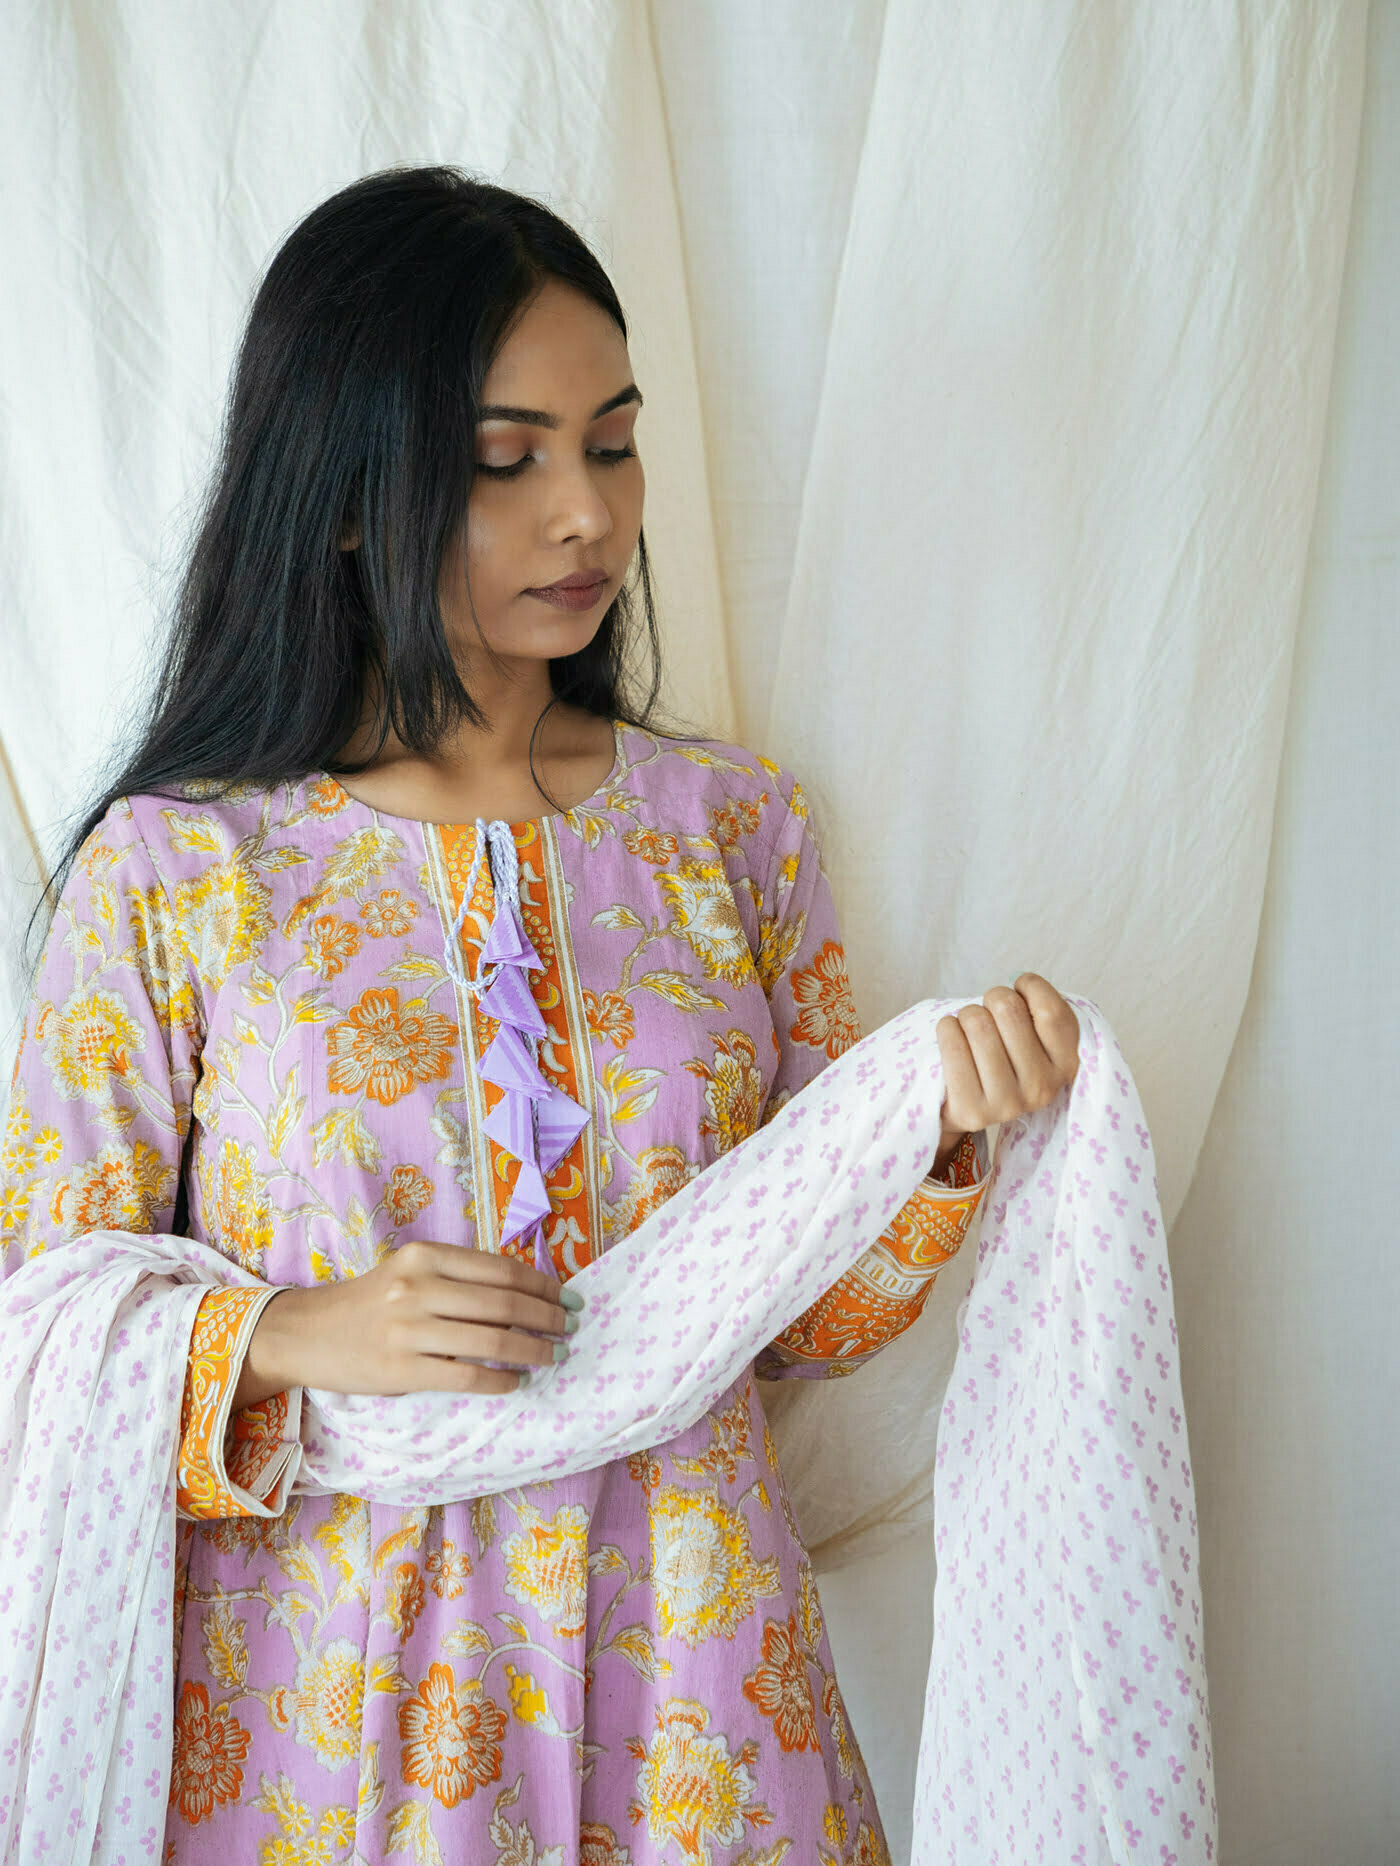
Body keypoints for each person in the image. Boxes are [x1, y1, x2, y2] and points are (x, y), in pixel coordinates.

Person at [0, 167, 1080, 1865]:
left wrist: (938, 1143)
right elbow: (34, 1330)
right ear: (343, 498)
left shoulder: (737, 829)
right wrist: (292, 1331)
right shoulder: (181, 868)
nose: (588, 514)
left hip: (699, 1680)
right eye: (506, 461)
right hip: (335, 1713)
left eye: (614, 443)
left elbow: (799, 1329)